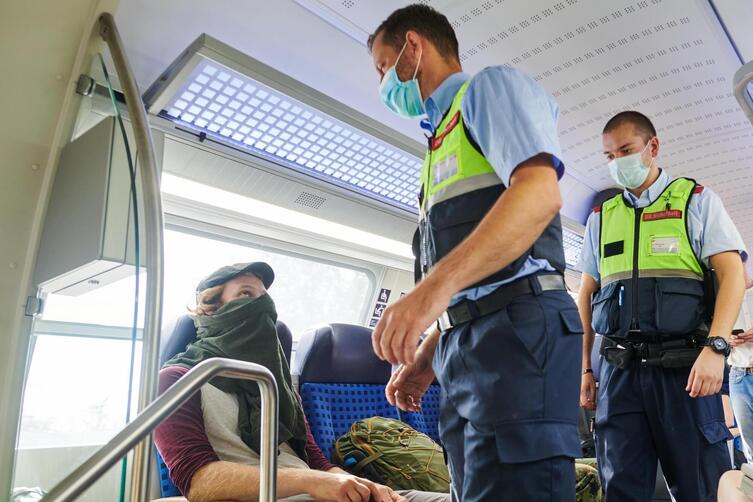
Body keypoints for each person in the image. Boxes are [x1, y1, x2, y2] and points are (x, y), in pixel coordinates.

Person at [367, 5, 582, 501]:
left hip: (519, 332)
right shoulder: (436, 146)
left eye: (383, 68)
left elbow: (539, 193)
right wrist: (428, 354)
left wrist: (430, 293)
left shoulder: (486, 89)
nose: (382, 85)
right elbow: (471, 270)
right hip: (464, 345)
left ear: (413, 48)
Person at [154, 262, 449, 502]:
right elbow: (198, 482)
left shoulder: (276, 384)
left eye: (264, 298)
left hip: (311, 489)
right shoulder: (178, 379)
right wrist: (312, 481)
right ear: (210, 309)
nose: (262, 306)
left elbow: (316, 460)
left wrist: (358, 485)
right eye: (246, 294)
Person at [577, 110, 746, 501]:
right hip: (620, 374)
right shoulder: (602, 218)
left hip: (683, 369)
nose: (617, 162)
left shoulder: (695, 201)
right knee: (621, 486)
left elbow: (733, 274)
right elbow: (586, 295)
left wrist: (716, 347)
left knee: (702, 485)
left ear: (652, 147)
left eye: (626, 150)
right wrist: (586, 366)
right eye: (609, 155)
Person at [729, 261, 753, 463]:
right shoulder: (724, 298)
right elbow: (713, 334)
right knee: (749, 446)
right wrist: (726, 339)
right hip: (738, 375)